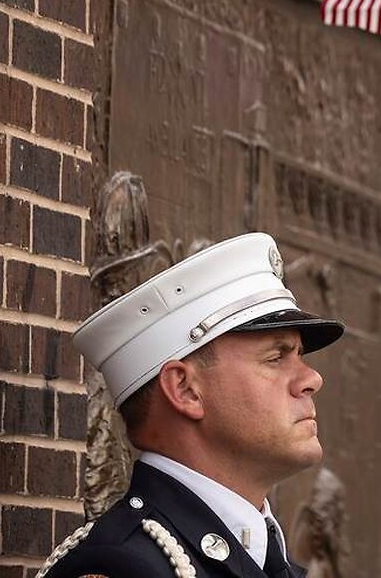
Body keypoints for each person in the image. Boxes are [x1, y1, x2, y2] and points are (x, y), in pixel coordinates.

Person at [39, 232, 345, 578]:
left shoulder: (273, 565)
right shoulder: (120, 567)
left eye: (300, 355)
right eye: (276, 358)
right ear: (185, 390)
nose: (312, 379)